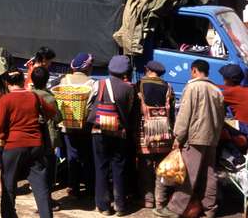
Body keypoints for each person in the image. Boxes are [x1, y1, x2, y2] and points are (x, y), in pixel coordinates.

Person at [155, 60, 225, 218]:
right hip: (211, 138)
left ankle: (175, 209)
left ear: (194, 70)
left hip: (194, 138)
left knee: (188, 175)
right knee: (209, 174)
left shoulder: (192, 87)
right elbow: (221, 118)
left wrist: (178, 137)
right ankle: (210, 208)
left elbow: (184, 115)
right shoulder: (217, 90)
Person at [0, 69, 57, 218]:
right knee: (41, 187)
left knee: (9, 186)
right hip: (35, 146)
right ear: (22, 81)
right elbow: (52, 112)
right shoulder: (33, 97)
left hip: (13, 146)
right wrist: (41, 121)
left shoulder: (6, 100)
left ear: (7, 84)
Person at [87, 55, 135, 216]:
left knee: (101, 167)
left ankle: (104, 206)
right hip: (119, 132)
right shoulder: (129, 89)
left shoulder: (99, 84)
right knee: (118, 168)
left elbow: (90, 105)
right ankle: (120, 206)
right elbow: (128, 111)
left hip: (99, 131)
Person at [135, 61, 175, 209]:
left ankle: (148, 199)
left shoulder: (139, 85)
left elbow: (134, 109)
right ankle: (160, 200)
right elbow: (172, 114)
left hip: (145, 131)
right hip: (164, 132)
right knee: (161, 166)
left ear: (147, 69)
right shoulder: (168, 87)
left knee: (145, 166)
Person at [59, 53, 96, 199]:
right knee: (87, 157)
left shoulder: (64, 80)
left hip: (67, 126)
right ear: (87, 67)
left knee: (72, 156)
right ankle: (89, 187)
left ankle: (73, 187)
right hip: (84, 126)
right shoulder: (92, 84)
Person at [30, 66, 63, 211]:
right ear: (47, 80)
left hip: (31, 136)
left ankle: (41, 201)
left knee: (36, 169)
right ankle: (46, 202)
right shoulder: (48, 97)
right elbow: (57, 117)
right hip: (47, 139)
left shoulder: (28, 94)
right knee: (48, 170)